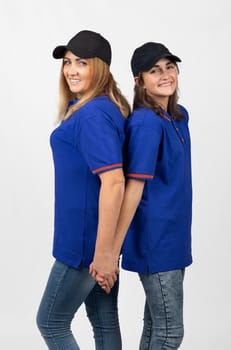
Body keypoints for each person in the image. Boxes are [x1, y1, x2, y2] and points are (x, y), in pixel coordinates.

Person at [94, 42, 193, 349]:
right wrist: (111, 251)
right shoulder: (147, 123)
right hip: (156, 243)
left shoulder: (177, 116)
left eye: (169, 67)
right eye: (154, 71)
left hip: (175, 240)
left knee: (154, 330)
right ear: (139, 81)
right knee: (169, 333)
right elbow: (132, 189)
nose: (165, 75)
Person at [36, 30, 130, 350]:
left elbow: (115, 181)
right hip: (95, 239)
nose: (71, 70)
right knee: (104, 321)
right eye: (67, 62)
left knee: (50, 321)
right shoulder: (96, 106)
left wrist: (103, 253)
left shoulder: (91, 115)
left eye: (82, 63)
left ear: (100, 68)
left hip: (84, 243)